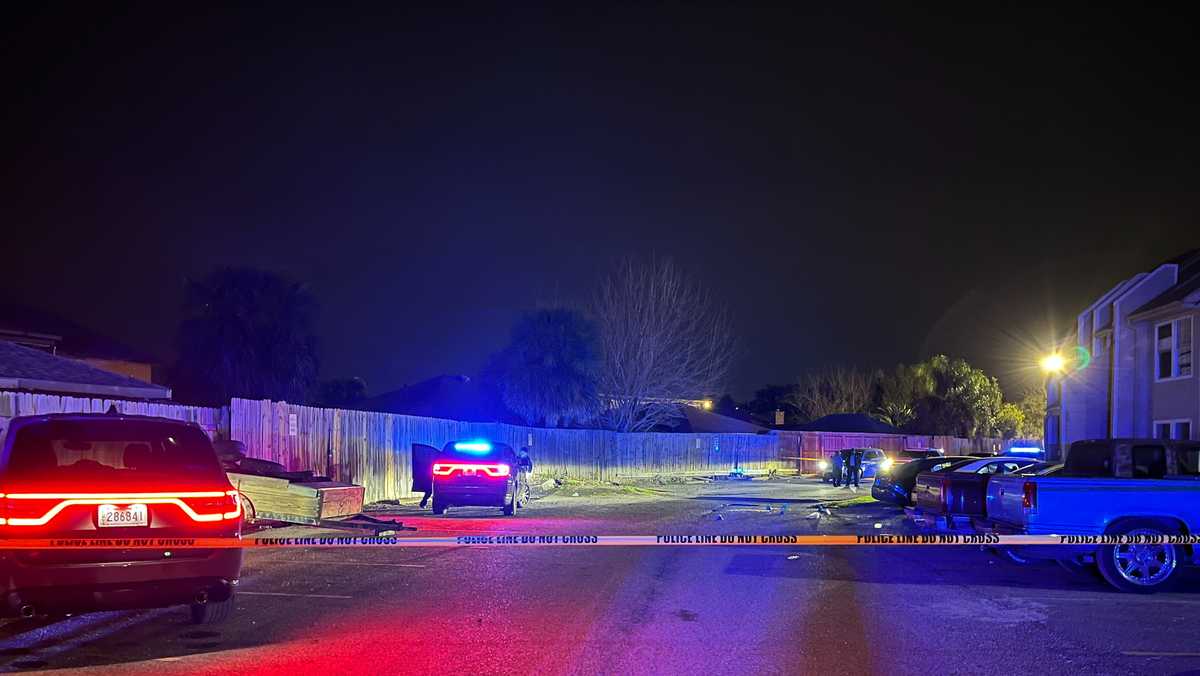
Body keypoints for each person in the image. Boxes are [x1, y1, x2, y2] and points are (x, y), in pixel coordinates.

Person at [411, 443, 436, 509]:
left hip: (428, 476)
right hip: (429, 477)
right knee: (429, 491)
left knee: (429, 491)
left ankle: (423, 503)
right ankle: (423, 503)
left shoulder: (424, 460)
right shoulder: (431, 460)